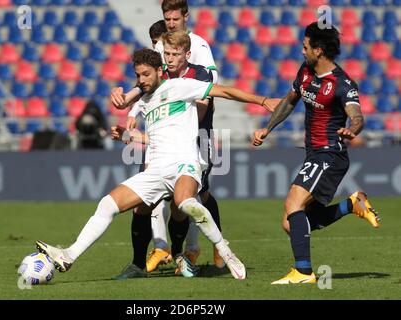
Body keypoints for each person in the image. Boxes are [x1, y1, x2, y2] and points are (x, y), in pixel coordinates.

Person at [36, 48, 271, 281]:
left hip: (184, 164)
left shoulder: (179, 86)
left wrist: (262, 100)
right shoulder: (145, 101)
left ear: (160, 71)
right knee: (108, 204)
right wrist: (125, 137)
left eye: (146, 74)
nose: (141, 80)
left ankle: (226, 252)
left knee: (186, 204)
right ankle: (68, 255)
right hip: (156, 169)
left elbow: (225, 92)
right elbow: (153, 137)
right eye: (138, 75)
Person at [111, 32, 276, 279]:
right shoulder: (158, 75)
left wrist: (261, 101)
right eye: (165, 53)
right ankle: (141, 263)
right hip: (160, 149)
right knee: (144, 205)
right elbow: (135, 95)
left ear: (186, 54)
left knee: (187, 201)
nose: (169, 59)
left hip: (193, 145)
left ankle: (186, 253)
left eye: (173, 54)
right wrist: (126, 105)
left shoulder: (198, 75)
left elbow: (213, 100)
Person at [252, 22, 381, 285]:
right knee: (292, 223)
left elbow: (357, 115)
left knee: (292, 204)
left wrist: (352, 129)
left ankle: (303, 272)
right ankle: (351, 205)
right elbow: (289, 101)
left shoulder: (342, 83)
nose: (302, 51)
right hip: (313, 153)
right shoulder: (306, 71)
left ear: (319, 50)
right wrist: (267, 128)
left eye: (306, 47)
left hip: (329, 154)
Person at [126, 0, 221, 273]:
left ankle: (201, 246)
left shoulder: (200, 47)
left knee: (196, 195)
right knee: (151, 194)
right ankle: (159, 251)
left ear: (185, 17)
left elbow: (208, 92)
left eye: (174, 19)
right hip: (162, 134)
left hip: (195, 133)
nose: (170, 23)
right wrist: (132, 107)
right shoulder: (159, 48)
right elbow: (147, 86)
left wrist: (188, 128)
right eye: (166, 19)